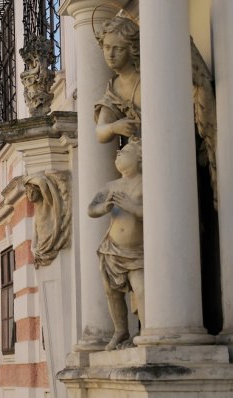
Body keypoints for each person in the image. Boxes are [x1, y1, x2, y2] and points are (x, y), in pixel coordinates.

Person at [88, 140, 144, 351]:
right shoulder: (111, 186)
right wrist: (104, 207)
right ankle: (121, 330)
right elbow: (91, 209)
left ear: (140, 157)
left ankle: (146, 330)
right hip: (111, 249)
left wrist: (132, 207)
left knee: (141, 289)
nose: (119, 152)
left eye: (126, 150)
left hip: (137, 250)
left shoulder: (146, 182)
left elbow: (156, 211)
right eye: (119, 150)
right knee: (111, 291)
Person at [94, 16, 141, 144]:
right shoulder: (114, 87)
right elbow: (100, 132)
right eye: (107, 47)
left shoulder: (147, 77)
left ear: (132, 49)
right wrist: (114, 127)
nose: (111, 55)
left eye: (119, 48)